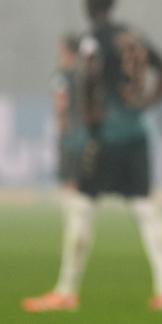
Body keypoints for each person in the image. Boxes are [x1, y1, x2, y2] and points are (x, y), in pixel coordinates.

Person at [22, 0, 162, 312]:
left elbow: (90, 73)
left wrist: (91, 114)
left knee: (81, 205)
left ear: (89, 6)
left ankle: (66, 291)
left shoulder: (93, 37)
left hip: (107, 135)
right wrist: (148, 101)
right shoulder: (132, 35)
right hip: (137, 133)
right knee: (145, 210)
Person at [52, 33, 88, 216]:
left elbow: (61, 100)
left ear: (67, 51)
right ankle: (80, 222)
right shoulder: (85, 74)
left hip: (70, 131)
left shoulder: (61, 75)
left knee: (67, 181)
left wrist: (61, 122)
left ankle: (73, 226)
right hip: (84, 131)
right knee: (80, 181)